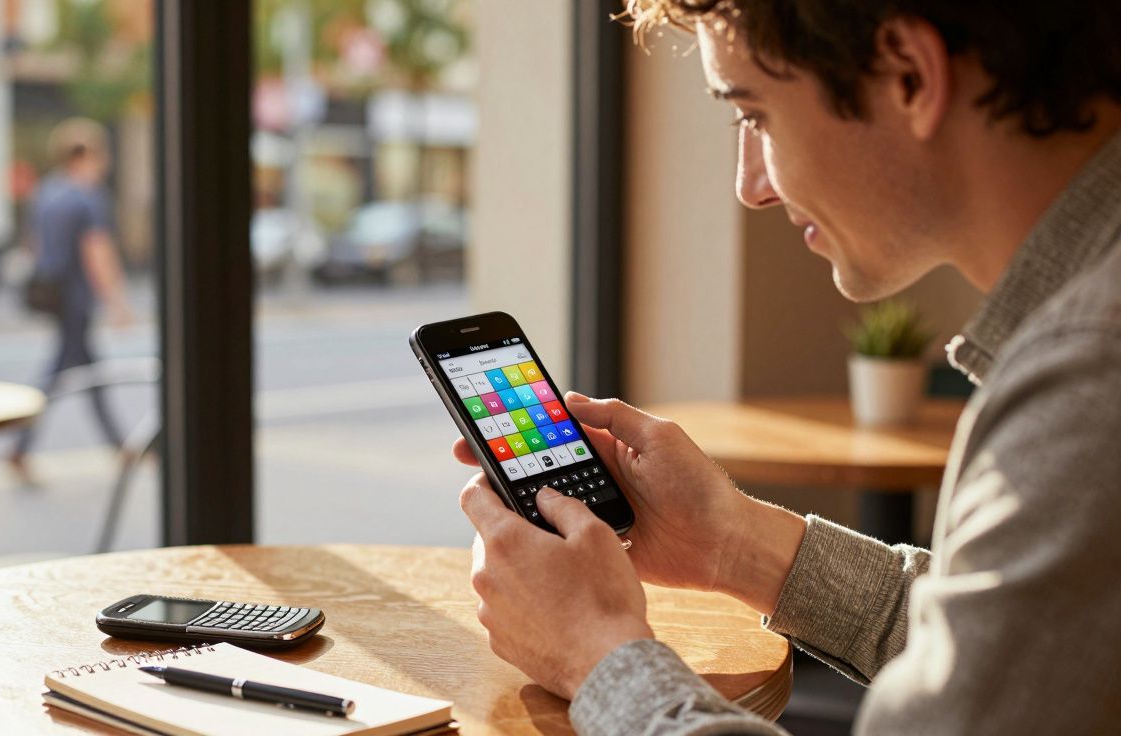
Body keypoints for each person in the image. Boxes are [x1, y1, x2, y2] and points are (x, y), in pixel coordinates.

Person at [455, 1, 1121, 734]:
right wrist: (730, 541)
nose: (751, 185)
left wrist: (596, 654)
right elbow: (1013, 645)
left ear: (909, 75)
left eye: (755, 116)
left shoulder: (1091, 377)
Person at [10, 118, 134, 481]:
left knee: (83, 368)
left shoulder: (46, 193)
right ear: (85, 154)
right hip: (75, 297)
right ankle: (20, 444)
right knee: (64, 372)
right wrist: (116, 300)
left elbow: (32, 243)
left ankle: (118, 444)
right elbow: (97, 250)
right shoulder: (86, 196)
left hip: (52, 292)